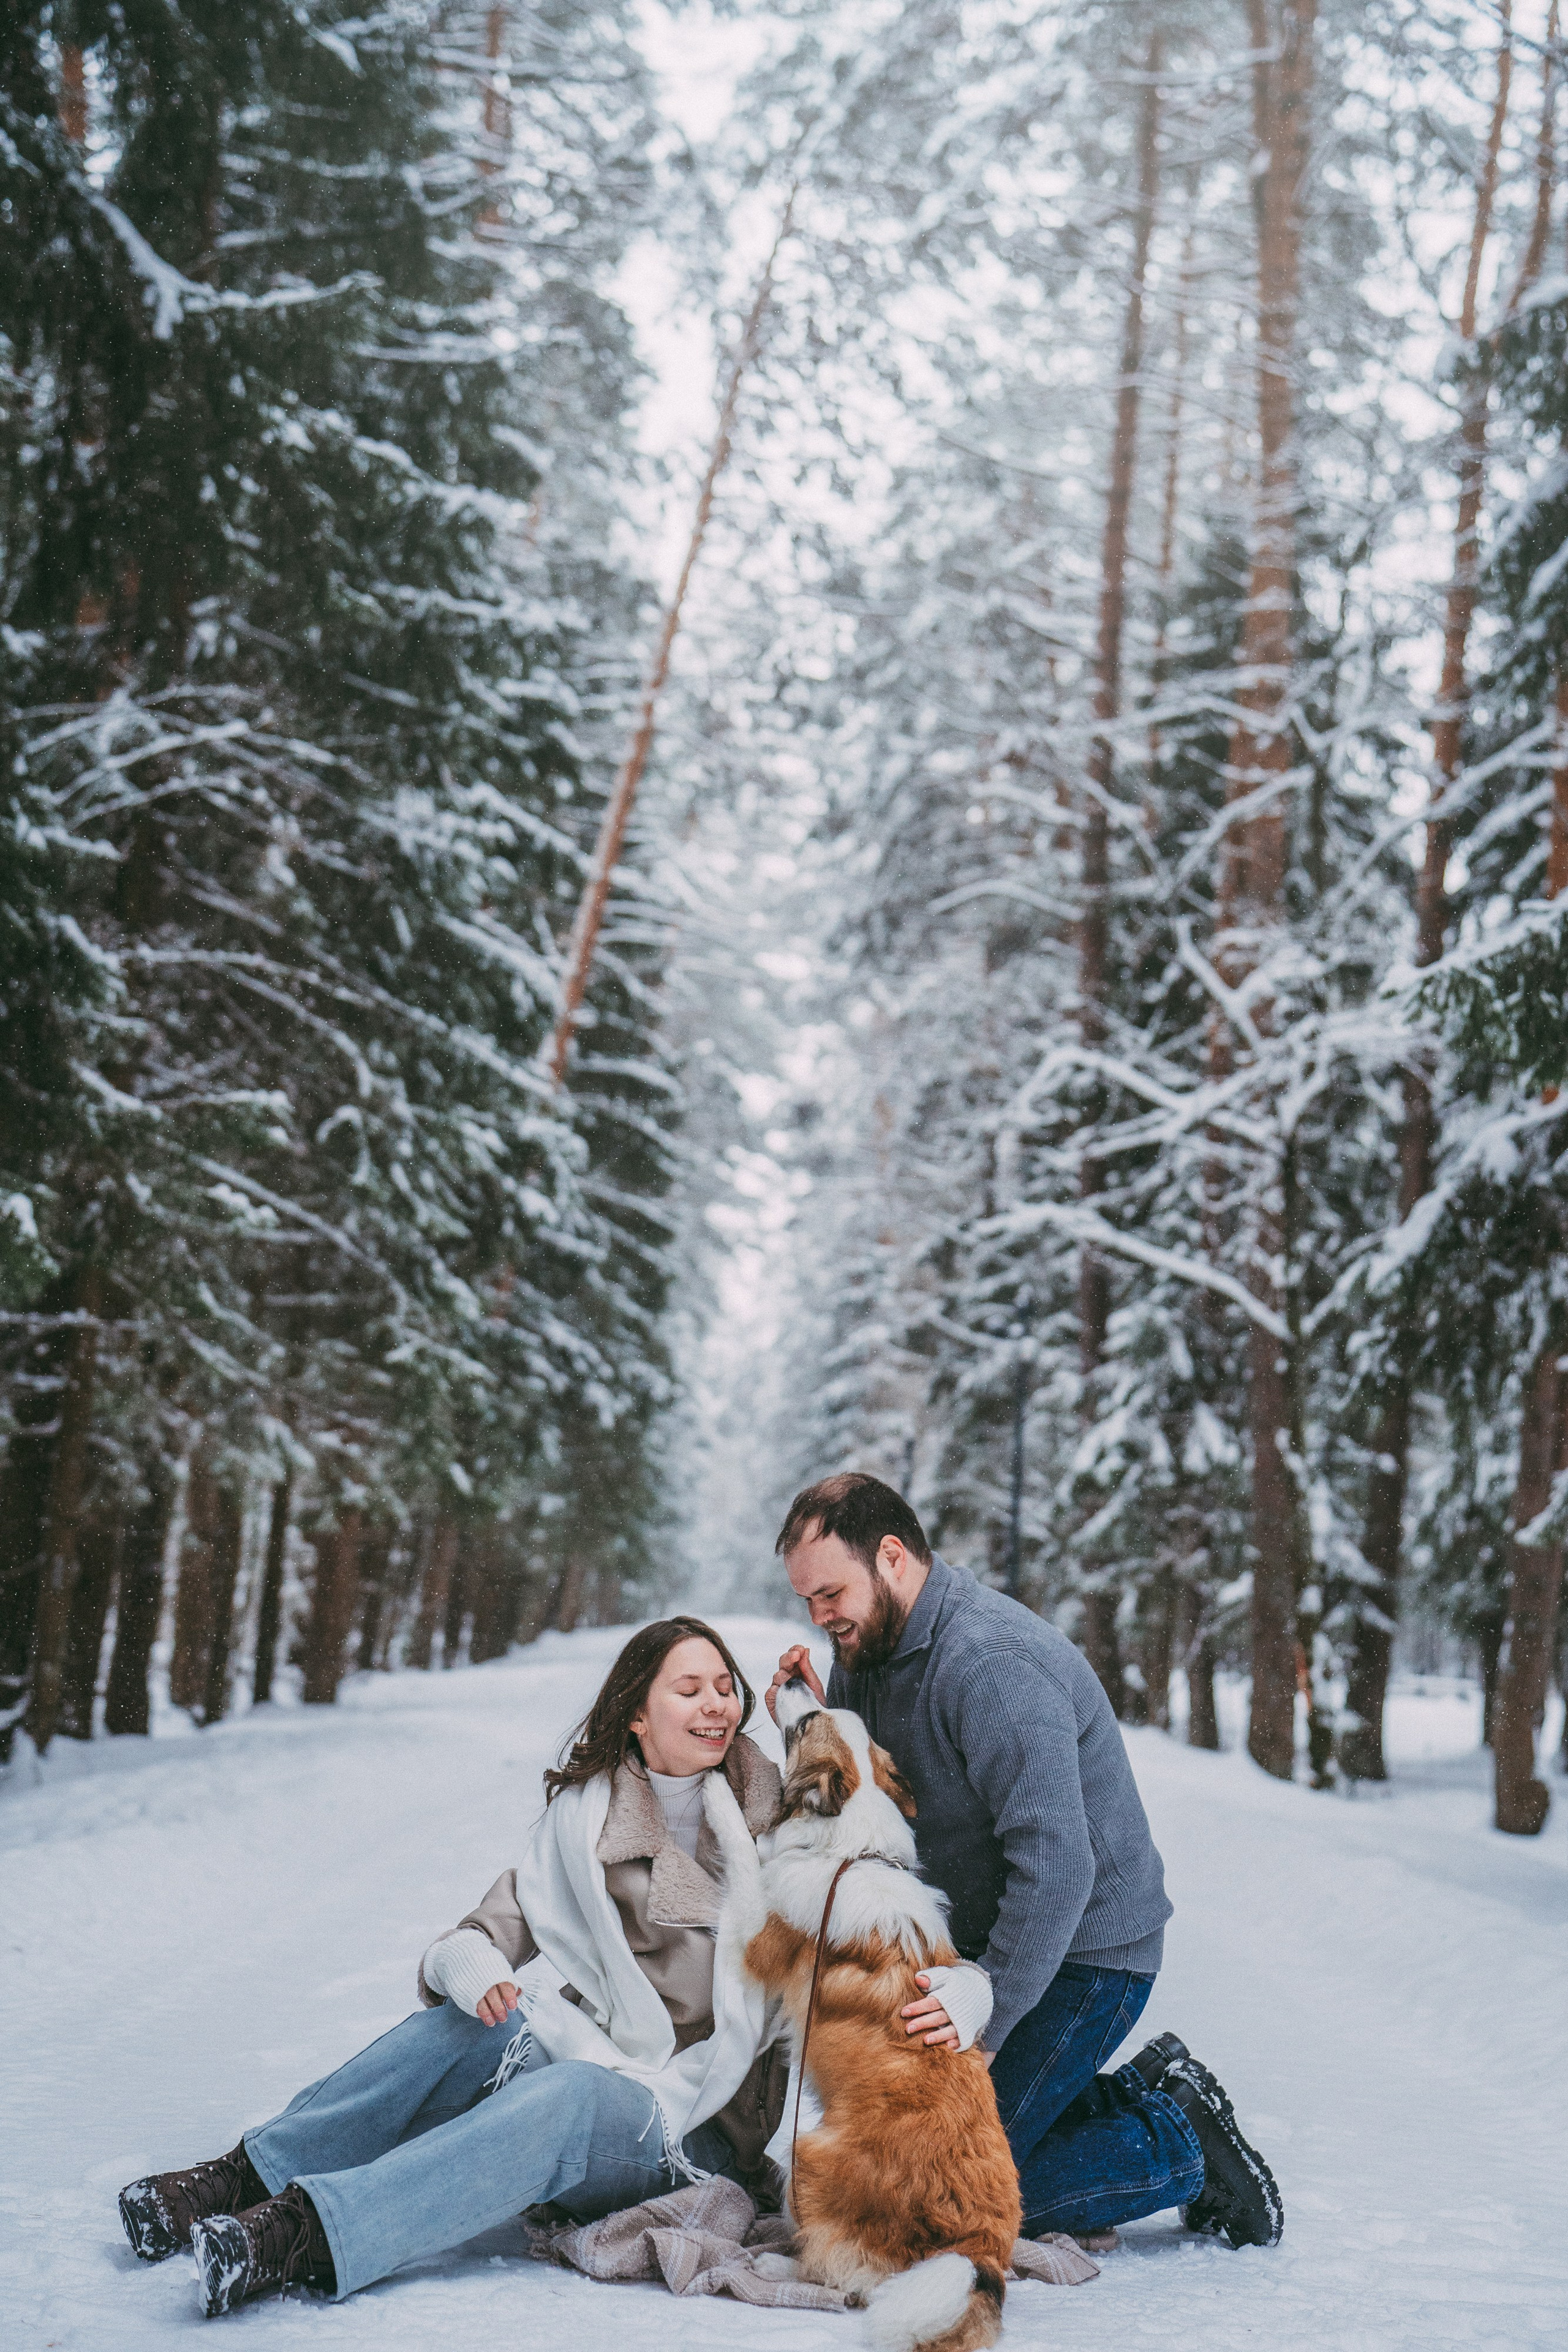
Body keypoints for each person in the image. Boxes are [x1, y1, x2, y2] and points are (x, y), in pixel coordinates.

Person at [118, 1617, 789, 2317]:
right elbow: (497, 1925)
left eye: (724, 1687)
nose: (717, 1704)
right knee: (477, 2027)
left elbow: (867, 1908)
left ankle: (307, 2235)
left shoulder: (782, 1827)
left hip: (694, 2129)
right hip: (607, 2067)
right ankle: (242, 2177)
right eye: (690, 1689)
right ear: (637, 1717)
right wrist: (471, 1963)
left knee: (573, 2093)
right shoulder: (589, 1819)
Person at [767, 1472, 1283, 2252]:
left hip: (1085, 1955)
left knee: (947, 2193)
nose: (820, 1615)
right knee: (899, 2152)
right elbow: (877, 1797)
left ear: (893, 1556)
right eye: (807, 1600)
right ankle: (1138, 2091)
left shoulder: (992, 1664)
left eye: (831, 1592)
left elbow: (1061, 1866)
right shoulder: (865, 1651)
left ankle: (1177, 2141)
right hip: (980, 1948)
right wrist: (816, 1719)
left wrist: (993, 2006)